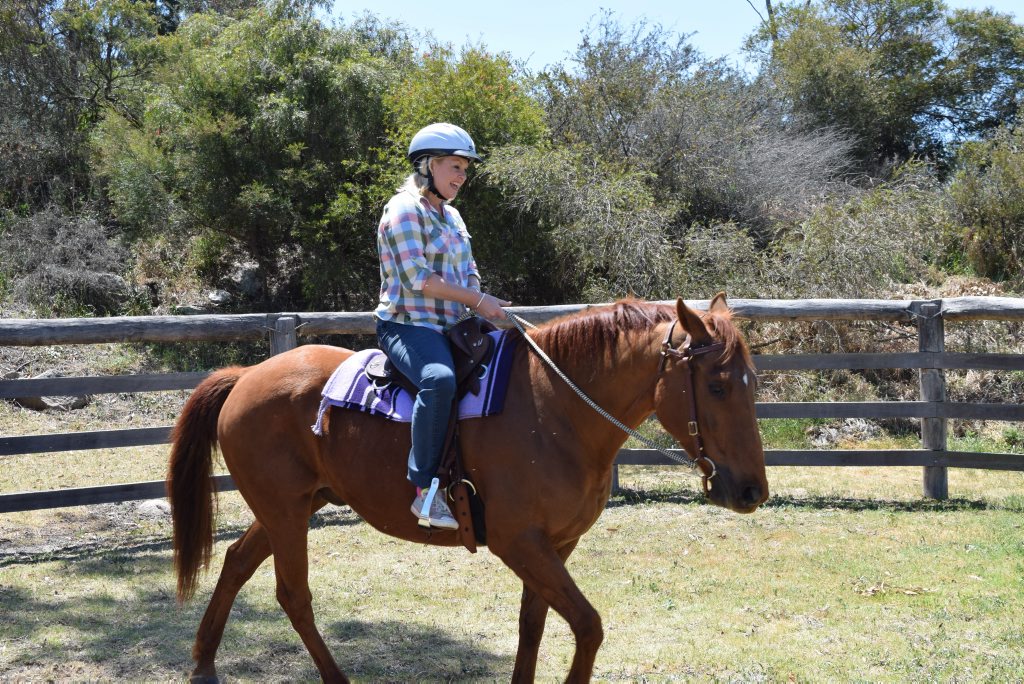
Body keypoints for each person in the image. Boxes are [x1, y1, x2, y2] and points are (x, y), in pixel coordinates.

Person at [375, 123, 510, 529]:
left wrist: (479, 298)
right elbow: (418, 279)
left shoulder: (452, 216)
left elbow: (469, 269)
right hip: (408, 325)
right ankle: (425, 491)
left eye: (465, 169)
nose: (462, 177)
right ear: (428, 165)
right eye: (455, 167)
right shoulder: (403, 210)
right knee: (438, 379)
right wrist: (477, 302)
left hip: (455, 325)